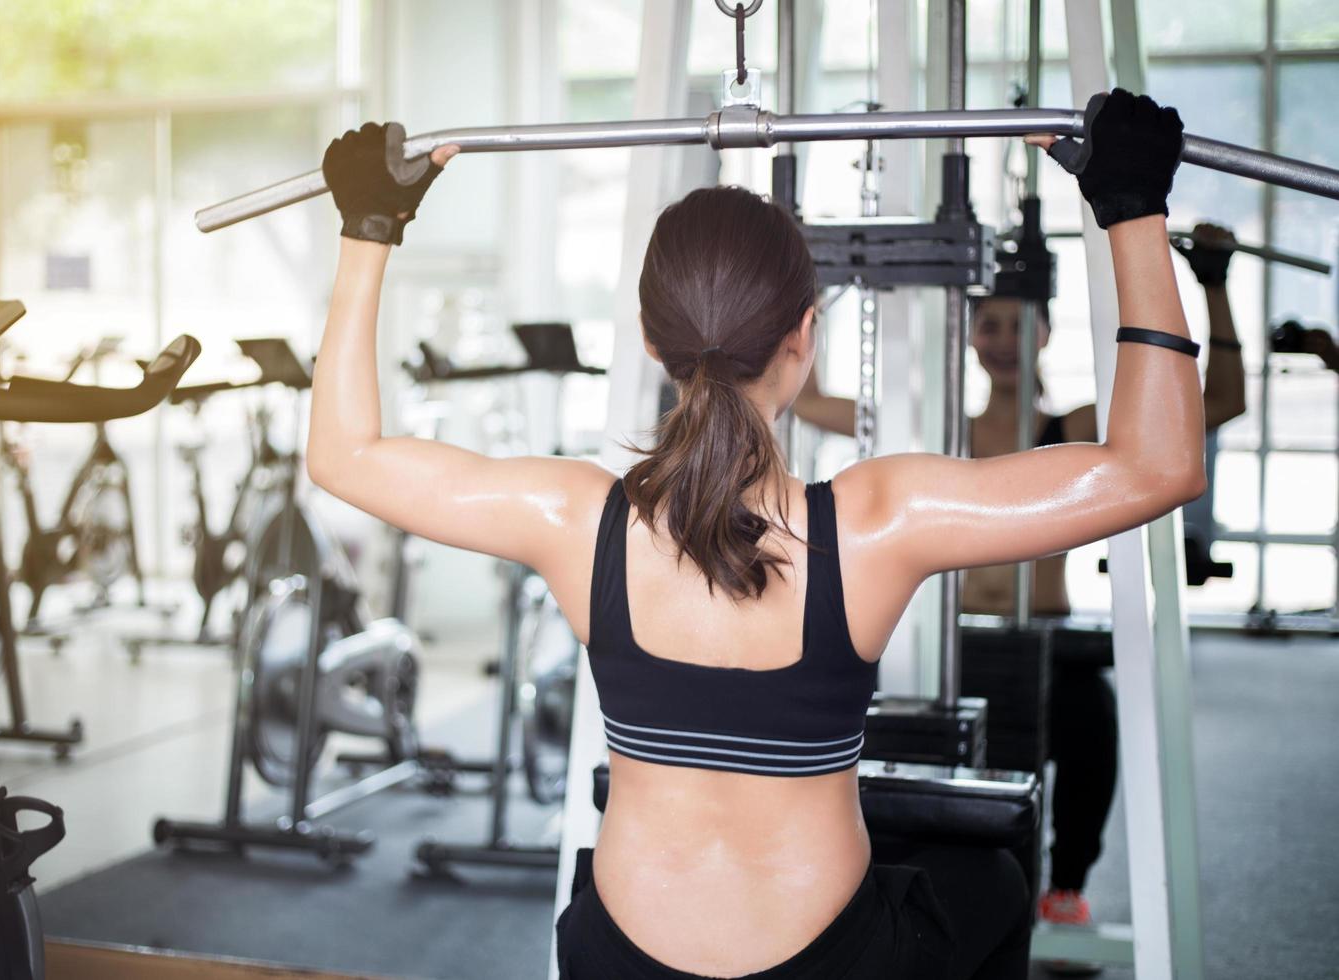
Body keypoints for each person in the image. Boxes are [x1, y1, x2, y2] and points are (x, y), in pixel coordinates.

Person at [306, 89, 1203, 979]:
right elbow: (1155, 467)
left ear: (655, 348)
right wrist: (1132, 212)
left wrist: (369, 230)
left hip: (621, 962)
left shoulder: (579, 521)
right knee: (995, 881)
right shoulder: (878, 522)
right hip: (828, 968)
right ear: (804, 338)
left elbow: (345, 454)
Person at [797, 225, 1246, 949]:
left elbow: (1216, 403)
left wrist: (1215, 285)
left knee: (1090, 722)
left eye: (1017, 325)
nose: (1003, 339)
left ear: (1044, 335)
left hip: (1047, 648)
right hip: (951, 651)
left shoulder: (1063, 428)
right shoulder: (941, 430)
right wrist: (813, 293)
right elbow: (809, 403)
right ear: (970, 337)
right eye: (989, 325)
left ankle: (1064, 888)